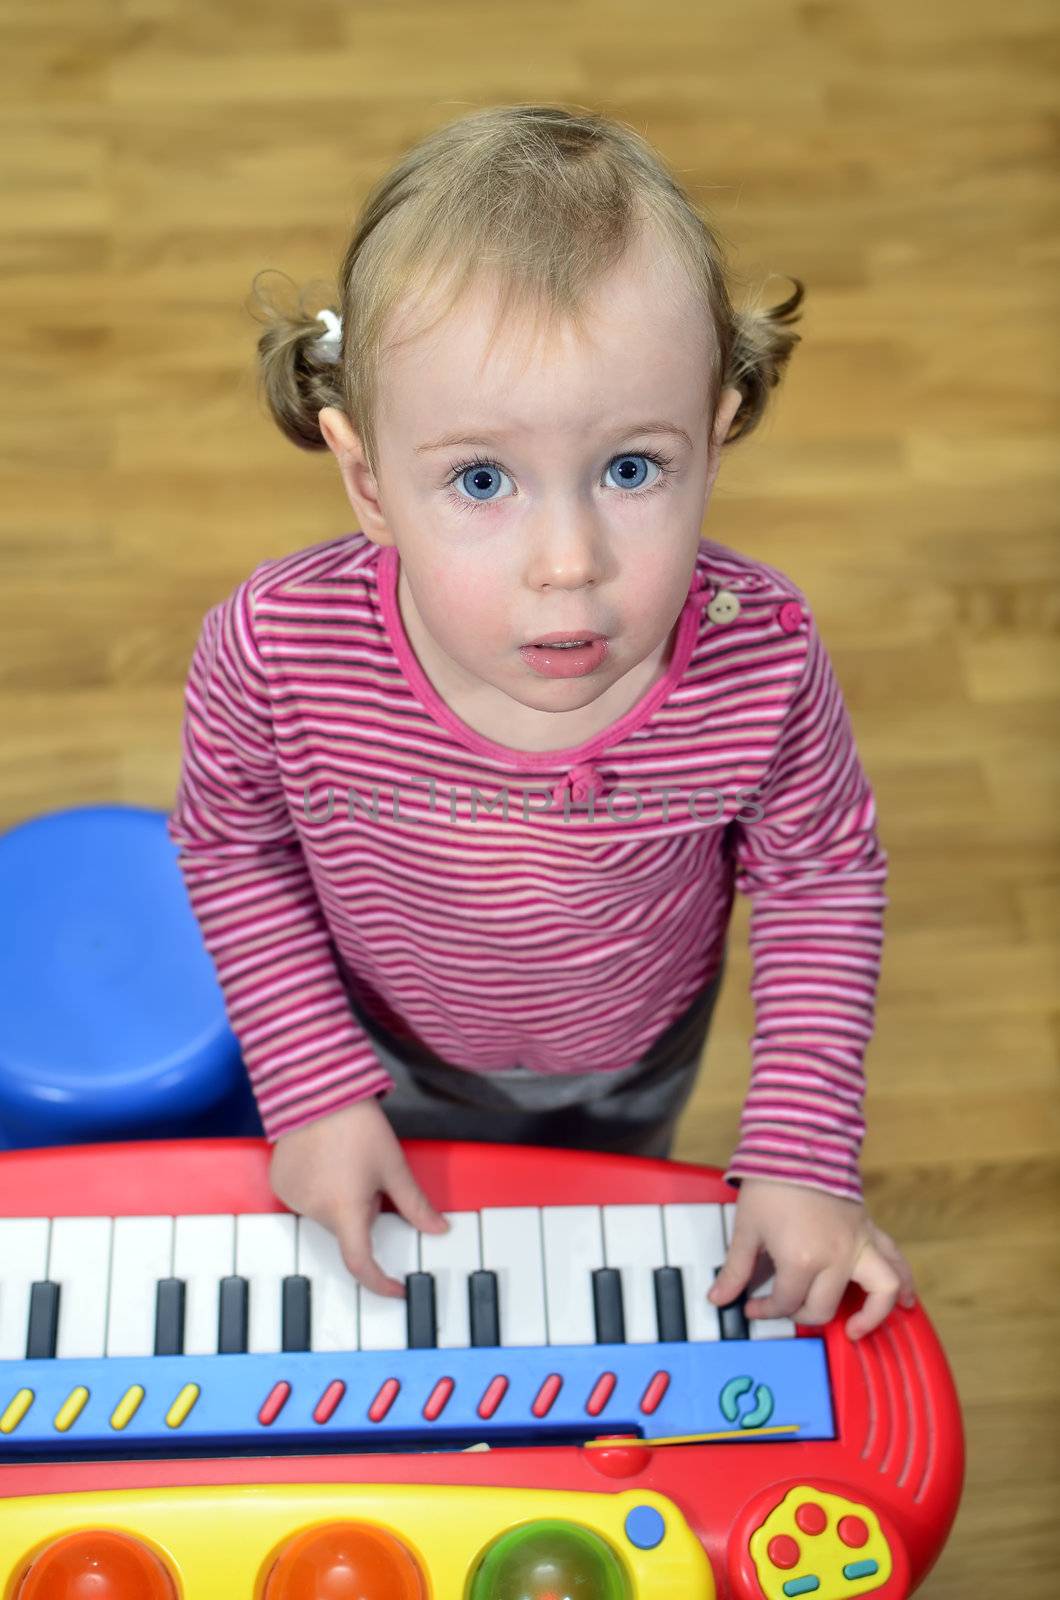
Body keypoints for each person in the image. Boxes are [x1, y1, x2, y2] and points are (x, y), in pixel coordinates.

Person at [168, 103, 917, 1343]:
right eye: (479, 480)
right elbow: (233, 846)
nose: (568, 563)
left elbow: (822, 872)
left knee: (587, 1244)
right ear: (367, 478)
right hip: (375, 1039)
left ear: (715, 438)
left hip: (633, 1051)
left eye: (632, 468)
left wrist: (801, 1149)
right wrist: (308, 1087)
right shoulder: (273, 649)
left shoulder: (763, 655)